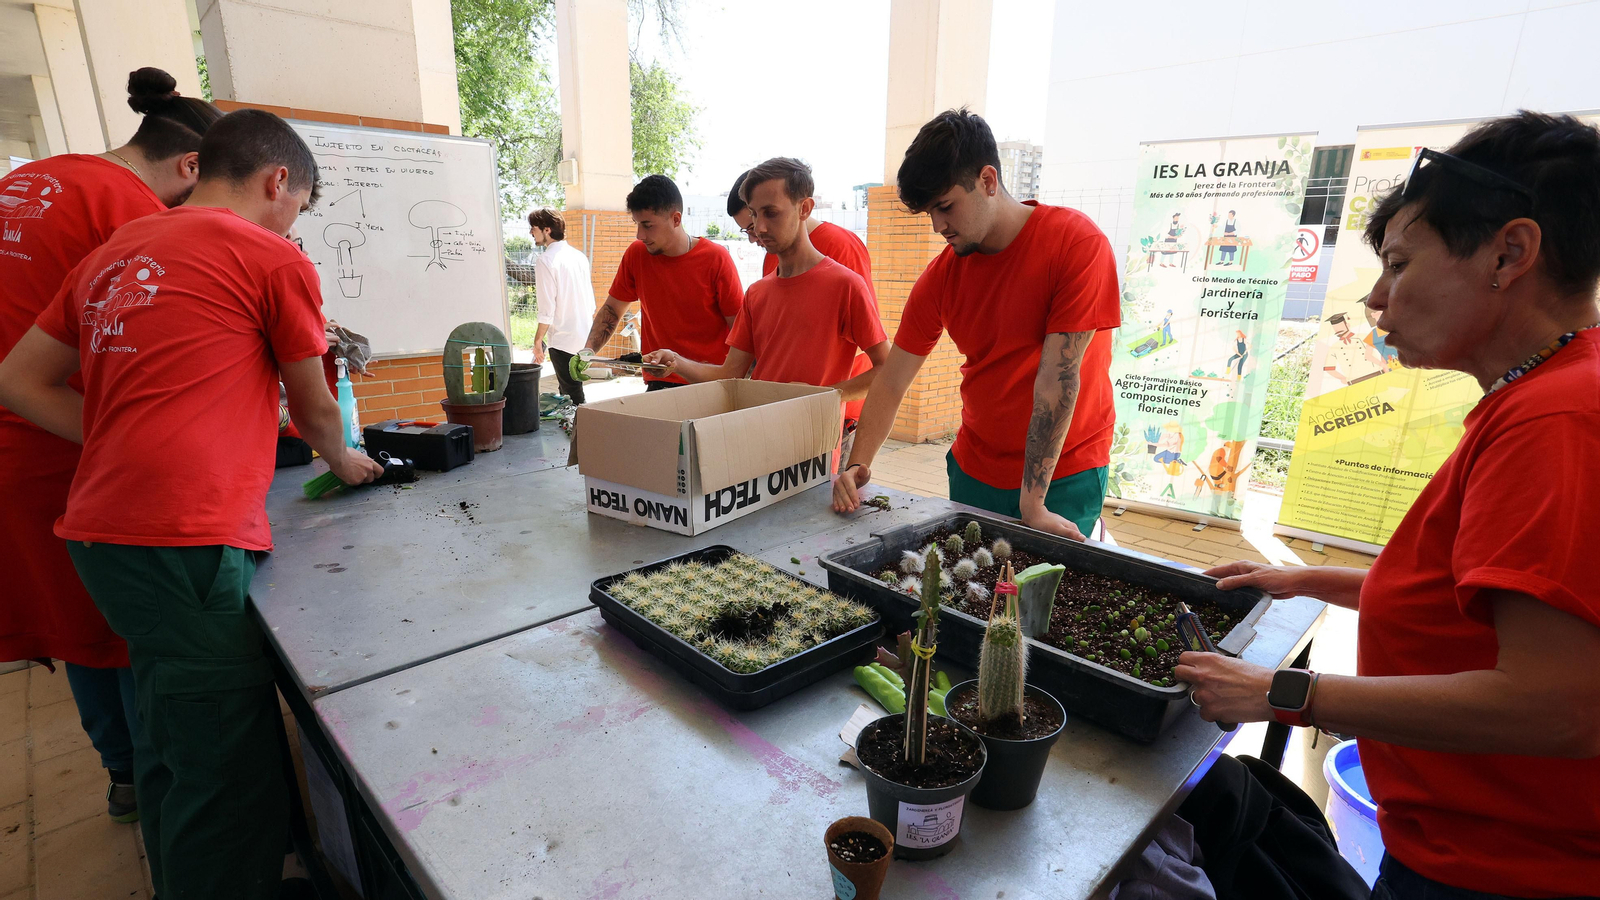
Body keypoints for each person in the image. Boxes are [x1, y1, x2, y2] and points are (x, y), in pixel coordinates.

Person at [1181, 112, 1600, 899]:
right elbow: (1471, 604)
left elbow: (1559, 707)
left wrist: (1283, 692)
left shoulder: (1558, 419)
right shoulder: (1546, 394)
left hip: (1501, 873)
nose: (1376, 299)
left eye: (1400, 265)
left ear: (1509, 254)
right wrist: (1304, 581)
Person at [0, 107, 383, 900]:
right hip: (180, 542)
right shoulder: (268, 256)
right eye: (300, 207)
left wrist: (117, 435)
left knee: (171, 740)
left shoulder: (114, 253)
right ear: (279, 181)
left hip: (101, 537)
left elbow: (17, 380)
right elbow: (314, 407)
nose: (294, 223)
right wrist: (344, 460)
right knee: (224, 771)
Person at [0, 66, 222, 823]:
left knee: (78, 625)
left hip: (17, 448)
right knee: (130, 625)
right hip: (66, 437)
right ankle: (163, 788)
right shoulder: (129, 210)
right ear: (191, 166)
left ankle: (123, 771)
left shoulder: (30, 180)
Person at [832, 108, 1120, 539]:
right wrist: (859, 464)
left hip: (1063, 475)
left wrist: (1033, 504)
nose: (938, 226)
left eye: (945, 206)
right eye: (929, 212)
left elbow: (1057, 379)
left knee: (1040, 585)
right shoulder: (943, 275)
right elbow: (891, 381)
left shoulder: (1075, 244)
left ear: (987, 180)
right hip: (975, 471)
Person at [644, 158, 888, 411]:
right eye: (754, 214)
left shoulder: (846, 285)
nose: (760, 228)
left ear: (804, 208)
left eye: (771, 213)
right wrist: (676, 362)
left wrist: (825, 395)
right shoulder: (756, 293)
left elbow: (886, 367)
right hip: (758, 429)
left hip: (815, 432)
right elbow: (730, 374)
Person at [583, 174, 743, 391]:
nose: (640, 235)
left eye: (648, 225)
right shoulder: (636, 254)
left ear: (676, 219)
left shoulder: (716, 259)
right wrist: (589, 351)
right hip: (659, 381)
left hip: (708, 383)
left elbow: (740, 330)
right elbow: (612, 310)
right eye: (637, 224)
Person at [527, 207, 594, 404]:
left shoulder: (546, 260)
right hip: (585, 335)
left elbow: (547, 309)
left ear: (547, 230)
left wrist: (538, 341)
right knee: (569, 390)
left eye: (533, 228)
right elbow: (590, 301)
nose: (531, 232)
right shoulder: (579, 256)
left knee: (573, 395)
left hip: (563, 338)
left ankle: (585, 424)